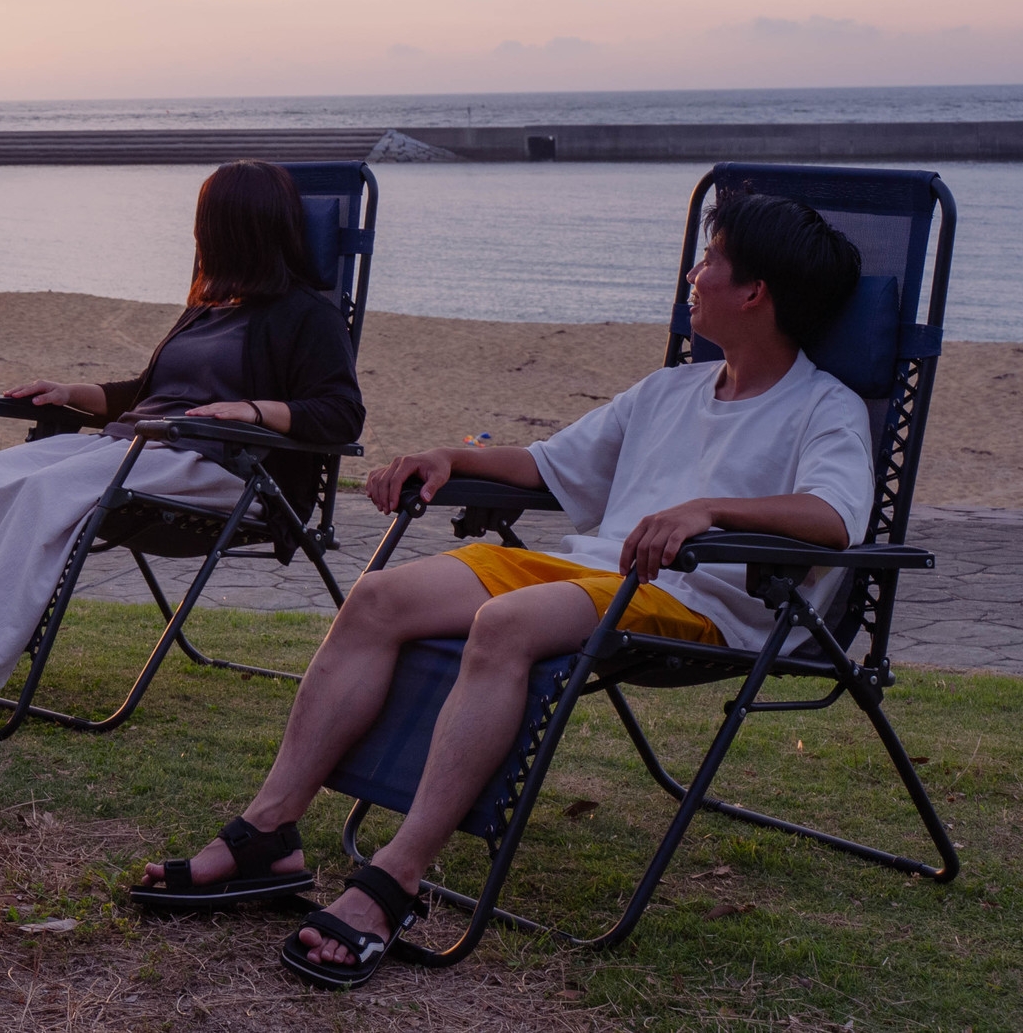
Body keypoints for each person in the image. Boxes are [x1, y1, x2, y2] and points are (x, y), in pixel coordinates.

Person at [137, 189, 867, 992]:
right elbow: (549, 465)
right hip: (592, 572)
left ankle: (397, 874)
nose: (692, 276)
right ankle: (267, 833)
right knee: (377, 599)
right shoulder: (671, 389)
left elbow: (831, 517)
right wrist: (448, 456)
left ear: (753, 291)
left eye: (709, 261)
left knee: (505, 622)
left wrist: (706, 509)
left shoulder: (821, 407)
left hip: (697, 601)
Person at [0, 160, 365, 738]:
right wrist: (73, 393)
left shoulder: (308, 316)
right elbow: (151, 393)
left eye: (206, 224)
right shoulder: (208, 308)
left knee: (45, 493)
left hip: (228, 468)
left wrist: (256, 411)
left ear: (238, 229)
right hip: (140, 446)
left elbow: (342, 415)